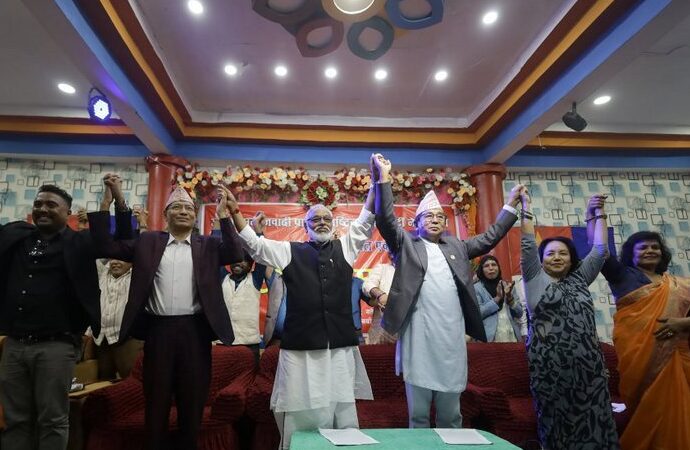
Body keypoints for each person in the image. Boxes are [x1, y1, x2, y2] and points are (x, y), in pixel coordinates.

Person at [87, 177, 244, 450]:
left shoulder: (207, 245)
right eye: (177, 207)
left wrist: (225, 216)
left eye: (188, 208)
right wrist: (108, 204)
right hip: (158, 332)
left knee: (192, 403)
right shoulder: (148, 242)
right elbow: (106, 246)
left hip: (195, 333)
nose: (183, 211)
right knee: (156, 403)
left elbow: (235, 252)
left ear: (195, 216)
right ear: (165, 214)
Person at [371, 153, 522, 429]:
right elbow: (385, 219)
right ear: (417, 222)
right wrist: (383, 178)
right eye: (428, 216)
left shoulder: (457, 247)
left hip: (451, 335)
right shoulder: (407, 245)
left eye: (440, 216)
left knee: (451, 414)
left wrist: (510, 206)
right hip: (419, 334)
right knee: (418, 414)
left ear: (446, 223)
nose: (435, 220)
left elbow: (490, 237)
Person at [222, 181, 375, 450]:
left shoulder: (346, 247)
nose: (321, 222)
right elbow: (256, 246)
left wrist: (377, 185)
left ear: (334, 225)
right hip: (300, 350)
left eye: (326, 218)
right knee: (300, 407)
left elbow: (364, 221)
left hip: (339, 348)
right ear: (305, 226)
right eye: (315, 219)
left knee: (341, 406)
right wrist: (235, 213)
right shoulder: (289, 251)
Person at [0, 183, 129, 450]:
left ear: (67, 212)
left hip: (56, 346)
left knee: (52, 419)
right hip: (14, 344)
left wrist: (114, 201)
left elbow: (123, 238)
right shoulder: (16, 236)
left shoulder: (80, 242)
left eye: (51, 205)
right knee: (15, 419)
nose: (43, 209)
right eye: (38, 204)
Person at [586, 196, 690, 449]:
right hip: (638, 360)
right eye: (643, 248)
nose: (650, 251)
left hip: (677, 359)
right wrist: (595, 214)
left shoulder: (680, 285)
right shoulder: (623, 276)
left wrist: (681, 323)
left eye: (655, 247)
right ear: (631, 254)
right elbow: (600, 249)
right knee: (648, 414)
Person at [520, 190, 618, 449]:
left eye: (563, 253)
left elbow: (600, 250)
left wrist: (597, 213)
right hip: (551, 374)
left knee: (597, 430)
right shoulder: (534, 279)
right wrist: (525, 207)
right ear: (541, 259)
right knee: (558, 432)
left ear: (571, 258)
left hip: (590, 373)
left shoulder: (579, 279)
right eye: (550, 253)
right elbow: (527, 244)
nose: (557, 257)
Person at [220, 211, 268, 365]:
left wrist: (258, 231)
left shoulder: (255, 279)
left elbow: (261, 255)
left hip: (249, 343)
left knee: (249, 379)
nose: (238, 263)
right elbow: (216, 254)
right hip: (222, 343)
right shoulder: (222, 278)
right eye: (235, 259)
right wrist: (220, 223)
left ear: (250, 265)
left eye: (243, 260)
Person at [474, 255, 524, 342]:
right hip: (489, 340)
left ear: (498, 268)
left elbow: (519, 313)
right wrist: (497, 298)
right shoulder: (476, 288)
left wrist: (510, 298)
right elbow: (477, 314)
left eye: (494, 265)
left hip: (511, 337)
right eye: (486, 266)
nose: (491, 268)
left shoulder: (507, 286)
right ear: (481, 270)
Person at [361, 262, 397, 344]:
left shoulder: (415, 271)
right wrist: (380, 295)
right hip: (381, 332)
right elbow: (367, 285)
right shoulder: (383, 268)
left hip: (407, 330)